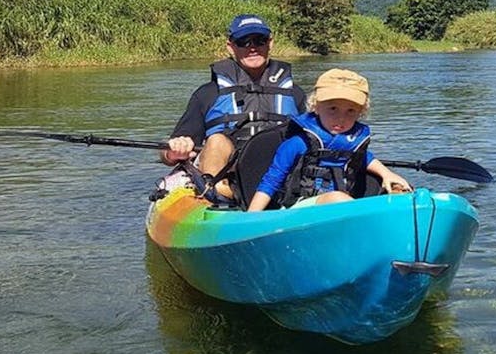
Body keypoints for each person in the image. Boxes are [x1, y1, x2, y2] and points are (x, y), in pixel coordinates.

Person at [163, 14, 306, 200]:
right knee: (216, 140)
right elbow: (167, 155)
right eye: (243, 41)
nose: (252, 47)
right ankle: (219, 196)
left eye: (259, 40)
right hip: (226, 174)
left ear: (270, 43)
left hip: (279, 170)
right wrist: (174, 151)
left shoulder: (295, 94)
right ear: (231, 46)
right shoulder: (207, 94)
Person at [247, 68, 413, 211]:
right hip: (300, 208)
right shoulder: (297, 143)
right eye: (333, 108)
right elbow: (271, 180)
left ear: (361, 112)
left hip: (340, 207)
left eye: (350, 111)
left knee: (402, 192)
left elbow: (365, 158)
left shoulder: (353, 141)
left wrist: (387, 174)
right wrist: (252, 217)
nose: (341, 118)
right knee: (338, 199)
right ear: (316, 106)